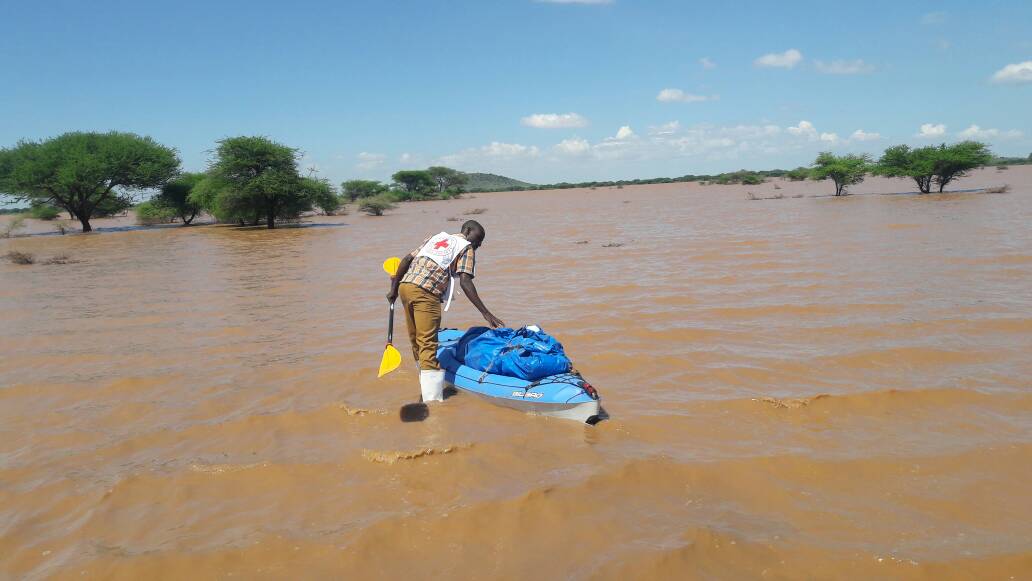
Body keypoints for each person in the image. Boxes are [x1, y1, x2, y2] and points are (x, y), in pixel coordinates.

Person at [386, 220, 505, 402]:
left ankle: (424, 381)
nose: (478, 244)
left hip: (406, 288)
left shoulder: (435, 238)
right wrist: (486, 313)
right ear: (467, 231)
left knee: (416, 340)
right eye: (478, 239)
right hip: (426, 293)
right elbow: (465, 281)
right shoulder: (466, 247)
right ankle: (432, 402)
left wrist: (394, 289)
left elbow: (406, 260)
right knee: (427, 344)